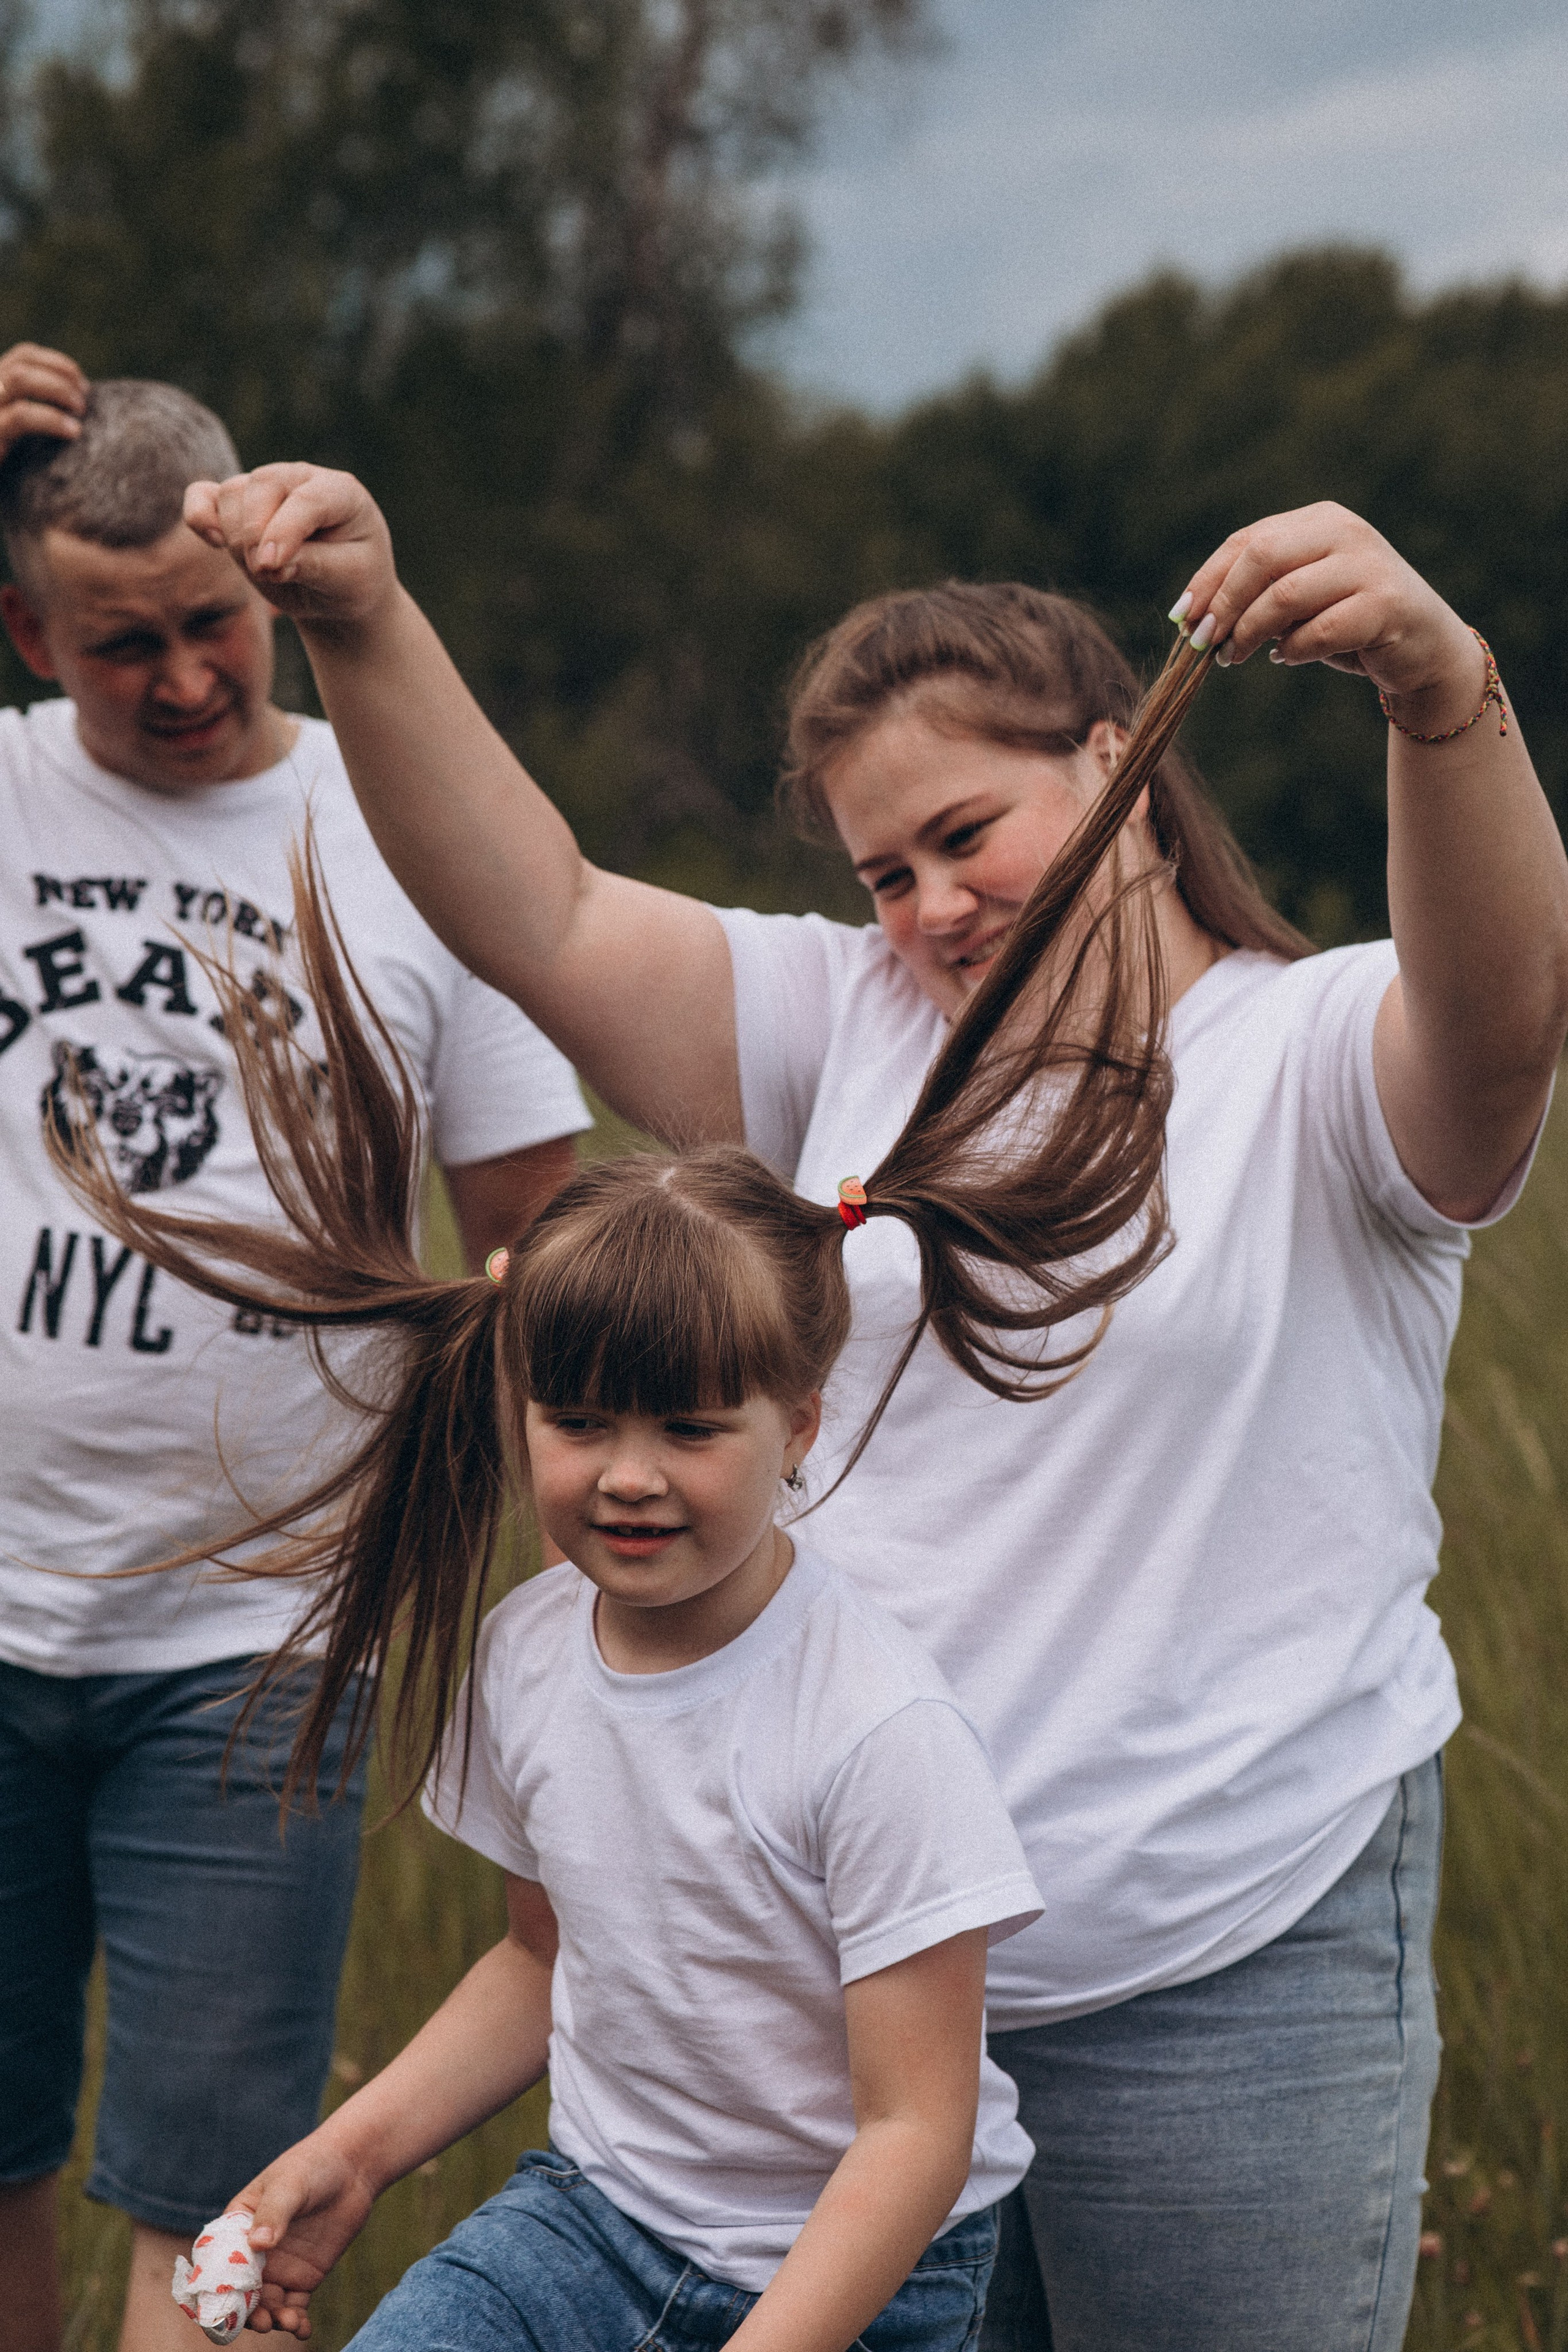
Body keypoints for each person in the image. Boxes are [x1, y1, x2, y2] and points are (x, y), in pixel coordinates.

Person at [184, 460, 1568, 2352]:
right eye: (882, 872)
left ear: (1121, 766)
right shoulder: (847, 1028)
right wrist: (361, 620)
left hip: (1234, 1950)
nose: (929, 906)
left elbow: (1509, 1006)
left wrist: (1439, 690)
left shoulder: (1319, 1051)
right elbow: (547, 910)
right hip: (857, 1986)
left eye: (965, 832)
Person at [53, 849, 1155, 2348]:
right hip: (593, 2219)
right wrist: (353, 2154)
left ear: (800, 1428)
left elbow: (914, 2132)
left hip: (857, 2277)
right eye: (580, 1423)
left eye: (691, 1429)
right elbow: (538, 1957)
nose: (628, 1477)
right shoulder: (525, 1655)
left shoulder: (876, 1729)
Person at [0, 350, 590, 2352]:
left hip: (262, 1639)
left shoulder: (400, 829)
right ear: (24, 629)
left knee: (221, 2200)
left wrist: (544, 1500)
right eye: (117, 646)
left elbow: (531, 1228)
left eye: (210, 625)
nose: (179, 680)